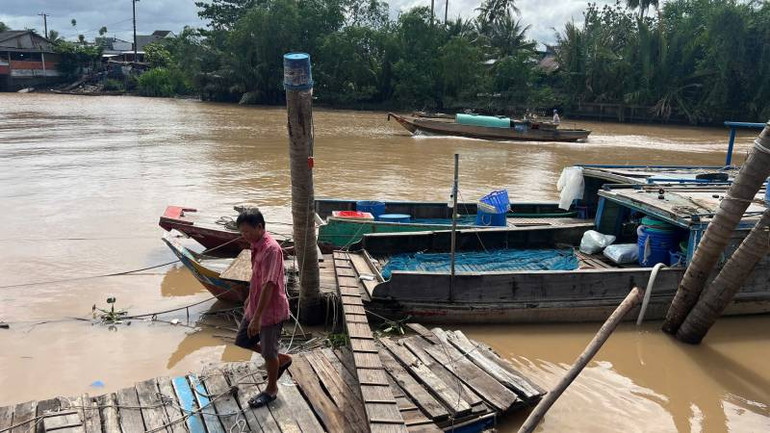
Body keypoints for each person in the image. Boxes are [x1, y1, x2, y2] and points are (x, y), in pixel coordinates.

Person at [234, 208, 291, 408]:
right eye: (242, 232)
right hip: (256, 307)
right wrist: (250, 299)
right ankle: (280, 359)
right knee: (242, 340)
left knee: (268, 352)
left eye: (247, 232)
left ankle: (271, 389)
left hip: (270, 312)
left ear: (260, 227)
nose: (245, 236)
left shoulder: (271, 249)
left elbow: (269, 284)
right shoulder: (256, 246)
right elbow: (256, 278)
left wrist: (257, 318)